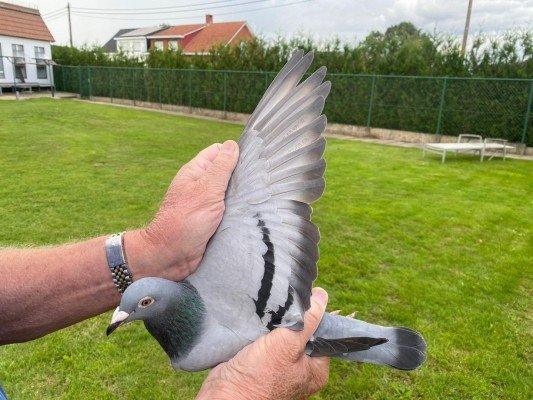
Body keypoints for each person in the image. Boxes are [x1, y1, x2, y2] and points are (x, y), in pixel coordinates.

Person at [0, 140, 330, 400]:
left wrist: (155, 250)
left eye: (140, 305)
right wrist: (241, 392)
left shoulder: (202, 279)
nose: (122, 316)